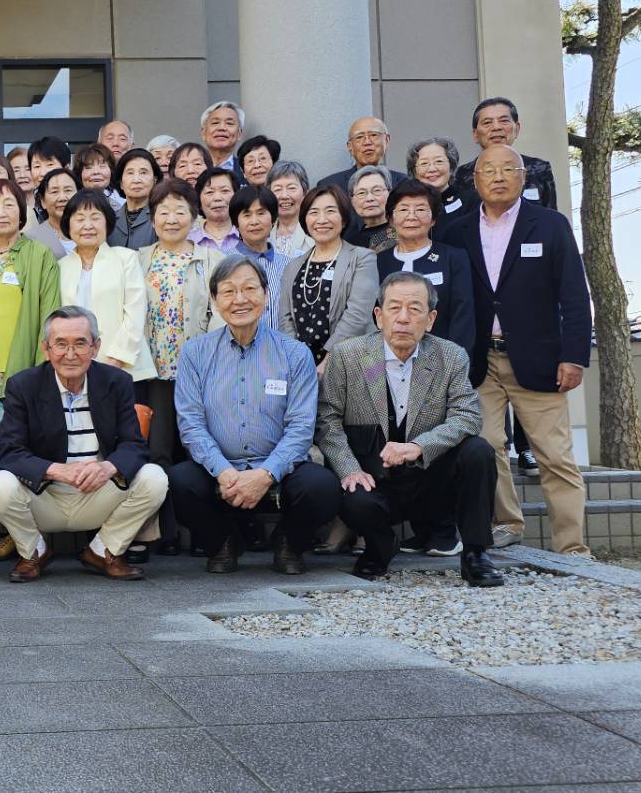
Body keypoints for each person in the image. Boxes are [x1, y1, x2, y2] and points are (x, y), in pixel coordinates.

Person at [442, 145, 592, 557]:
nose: (498, 176)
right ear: (475, 181)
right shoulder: (456, 231)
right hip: (479, 359)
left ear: (524, 177)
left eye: (509, 168)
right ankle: (506, 522)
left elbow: (575, 297)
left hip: (539, 357)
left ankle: (572, 544)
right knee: (486, 446)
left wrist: (575, 355)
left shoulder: (549, 225)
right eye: (488, 170)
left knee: (555, 455)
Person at [320, 272, 505, 586]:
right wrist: (350, 469)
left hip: (429, 479)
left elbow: (467, 416)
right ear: (379, 315)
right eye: (394, 308)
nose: (403, 318)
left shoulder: (450, 356)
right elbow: (327, 420)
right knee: (352, 497)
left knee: (479, 452)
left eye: (415, 309)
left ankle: (475, 553)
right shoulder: (347, 356)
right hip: (373, 476)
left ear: (430, 319)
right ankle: (380, 547)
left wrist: (419, 446)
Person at [170, 256, 342, 574]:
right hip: (220, 467)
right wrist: (223, 472)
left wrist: (265, 474)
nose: (240, 299)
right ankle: (223, 543)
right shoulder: (195, 353)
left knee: (322, 488)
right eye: (229, 291)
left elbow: (302, 427)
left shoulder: (295, 353)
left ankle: (288, 544)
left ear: (265, 294)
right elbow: (191, 425)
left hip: (282, 467)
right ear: (215, 300)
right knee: (180, 482)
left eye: (249, 288)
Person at [0, 306, 168, 582]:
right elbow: (8, 452)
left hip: (99, 493)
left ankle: (102, 551)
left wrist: (107, 467)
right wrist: (56, 470)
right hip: (46, 496)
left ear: (96, 347)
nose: (70, 354)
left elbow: (134, 445)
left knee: (154, 478)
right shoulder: (24, 386)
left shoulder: (117, 381)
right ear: (46, 349)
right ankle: (33, 551)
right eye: (60, 344)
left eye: (80, 344)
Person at [0, 180, 64, 469]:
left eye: (9, 204)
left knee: (14, 450)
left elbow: (50, 317)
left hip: (18, 373)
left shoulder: (39, 255)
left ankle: (9, 512)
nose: (1, 212)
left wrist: (42, 374)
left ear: (22, 212)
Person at [140, 179, 226, 467]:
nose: (172, 220)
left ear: (194, 218)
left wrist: (207, 356)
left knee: (198, 445)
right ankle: (161, 510)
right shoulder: (139, 259)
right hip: (154, 370)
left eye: (180, 211)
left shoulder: (212, 259)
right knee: (158, 447)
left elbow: (221, 311)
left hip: (198, 368)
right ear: (153, 220)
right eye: (163, 212)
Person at [277, 185, 379, 367]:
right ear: (305, 220)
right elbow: (286, 319)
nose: (321, 220)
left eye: (330, 211)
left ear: (344, 218)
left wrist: (328, 360)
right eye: (313, 212)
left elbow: (357, 315)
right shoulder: (293, 266)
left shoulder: (362, 258)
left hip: (354, 362)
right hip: (302, 365)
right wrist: (296, 359)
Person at [59, 190, 155, 382]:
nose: (88, 226)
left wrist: (116, 359)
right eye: (79, 219)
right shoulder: (61, 266)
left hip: (125, 368)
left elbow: (135, 313)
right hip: (73, 368)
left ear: (107, 223)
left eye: (95, 218)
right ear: (68, 225)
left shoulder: (125, 258)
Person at [378, 179, 475, 353]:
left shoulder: (453, 258)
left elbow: (463, 318)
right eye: (403, 209)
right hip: (388, 362)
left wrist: (454, 367)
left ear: (434, 219)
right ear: (391, 220)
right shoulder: (379, 262)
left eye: (421, 209)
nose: (411, 216)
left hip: (441, 362)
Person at [450, 97, 558, 210]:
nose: (496, 127)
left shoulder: (540, 169)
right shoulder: (461, 174)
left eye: (504, 121)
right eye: (487, 123)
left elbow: (552, 219)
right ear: (476, 135)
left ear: (517, 129)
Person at [229, 185, 291, 329]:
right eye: (246, 214)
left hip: (282, 347)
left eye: (261, 213)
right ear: (236, 223)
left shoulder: (289, 264)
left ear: (273, 218)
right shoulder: (223, 263)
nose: (254, 221)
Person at [318, 117, 411, 190]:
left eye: (374, 135)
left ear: (386, 140)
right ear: (350, 146)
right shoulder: (330, 185)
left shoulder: (403, 183)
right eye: (359, 137)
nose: (367, 142)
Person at [407, 137, 471, 235]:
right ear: (414, 172)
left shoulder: (470, 201)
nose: (432, 169)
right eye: (424, 163)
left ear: (451, 166)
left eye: (439, 161)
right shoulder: (406, 204)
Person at [108, 148, 159, 248]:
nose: (136, 180)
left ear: (155, 180)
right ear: (121, 183)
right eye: (130, 173)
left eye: (143, 173)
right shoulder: (110, 220)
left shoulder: (161, 217)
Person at [23, 168, 77, 258]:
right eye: (54, 192)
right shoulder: (31, 239)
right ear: (43, 201)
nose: (62, 198)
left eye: (68, 190)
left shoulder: (94, 232)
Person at [265, 162, 316, 257]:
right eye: (277, 189)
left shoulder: (315, 230)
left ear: (305, 193)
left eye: (291, 188)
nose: (284, 196)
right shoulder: (263, 231)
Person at [189, 168, 243, 253]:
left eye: (225, 191)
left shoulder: (248, 236)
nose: (217, 198)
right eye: (209, 192)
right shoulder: (188, 241)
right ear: (199, 200)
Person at [346, 166, 397, 253]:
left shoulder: (403, 231)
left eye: (377, 190)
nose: (370, 198)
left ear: (390, 194)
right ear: (352, 201)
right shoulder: (349, 241)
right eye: (361, 193)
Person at [201, 101, 245, 171]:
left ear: (239, 134)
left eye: (229, 123)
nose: (222, 128)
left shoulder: (246, 169)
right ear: (203, 133)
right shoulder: (192, 170)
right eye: (215, 123)